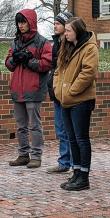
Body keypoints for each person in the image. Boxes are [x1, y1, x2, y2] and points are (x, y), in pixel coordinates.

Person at [53, 17, 98, 191]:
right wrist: (58, 90)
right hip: (65, 100)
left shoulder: (89, 48)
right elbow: (58, 71)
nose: (66, 33)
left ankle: (84, 177)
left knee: (81, 139)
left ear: (77, 31)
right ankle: (76, 172)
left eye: (69, 31)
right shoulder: (67, 46)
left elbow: (88, 72)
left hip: (81, 100)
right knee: (72, 138)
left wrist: (71, 90)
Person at [5, 9, 52, 168]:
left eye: (23, 22)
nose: (21, 25)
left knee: (34, 125)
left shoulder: (42, 42)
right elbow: (8, 65)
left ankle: (36, 156)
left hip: (34, 90)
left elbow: (47, 64)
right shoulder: (15, 42)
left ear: (31, 22)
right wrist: (15, 59)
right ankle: (23, 154)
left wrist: (29, 61)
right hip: (17, 90)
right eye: (19, 22)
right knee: (20, 126)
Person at [46, 11, 73, 174]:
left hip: (67, 93)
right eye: (54, 23)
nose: (55, 25)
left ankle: (73, 163)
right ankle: (64, 161)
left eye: (58, 23)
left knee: (69, 130)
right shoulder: (56, 42)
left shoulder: (70, 44)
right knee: (60, 129)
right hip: (56, 92)